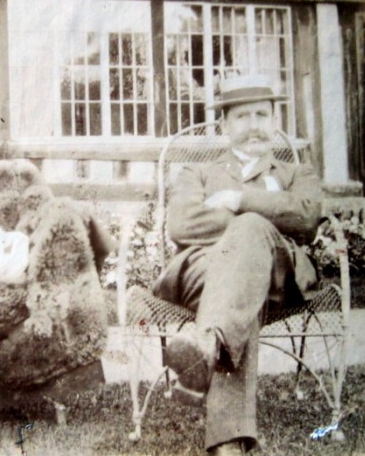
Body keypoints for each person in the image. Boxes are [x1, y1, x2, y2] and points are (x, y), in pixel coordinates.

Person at [152, 75, 322, 455]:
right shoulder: (195, 173)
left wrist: (238, 199)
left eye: (262, 114)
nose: (255, 125)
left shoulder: (297, 173)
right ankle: (226, 426)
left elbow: (307, 219)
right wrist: (260, 223)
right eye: (243, 116)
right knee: (244, 276)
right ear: (226, 125)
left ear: (275, 121)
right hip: (201, 271)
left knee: (248, 239)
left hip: (278, 275)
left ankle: (207, 347)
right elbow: (181, 224)